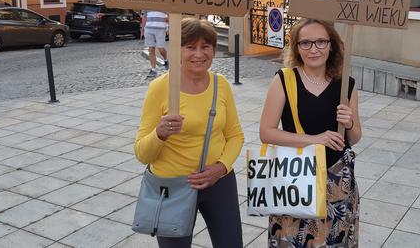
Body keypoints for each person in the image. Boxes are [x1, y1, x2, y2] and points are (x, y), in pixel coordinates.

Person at [134, 18, 245, 248]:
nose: (198, 54)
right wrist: (160, 134)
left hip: (218, 183)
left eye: (205, 46)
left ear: (214, 50)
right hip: (172, 187)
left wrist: (221, 167)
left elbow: (235, 135)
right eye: (190, 47)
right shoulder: (160, 88)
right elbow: (142, 154)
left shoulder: (221, 85)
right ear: (177, 50)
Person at [259, 18, 363, 247]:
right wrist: (314, 140)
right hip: (297, 179)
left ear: (331, 45)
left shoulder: (346, 84)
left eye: (320, 42)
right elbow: (266, 132)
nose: (313, 49)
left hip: (337, 182)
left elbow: (354, 139)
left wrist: (350, 123)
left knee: (334, 240)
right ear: (296, 47)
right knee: (295, 239)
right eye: (305, 43)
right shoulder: (284, 80)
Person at [144, 10, 169, 77]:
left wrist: (168, 27)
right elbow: (145, 16)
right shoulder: (146, 3)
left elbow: (169, 14)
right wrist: (142, 29)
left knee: (161, 49)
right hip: (148, 28)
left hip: (161, 28)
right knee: (151, 49)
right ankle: (153, 69)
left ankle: (165, 59)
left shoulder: (161, 3)